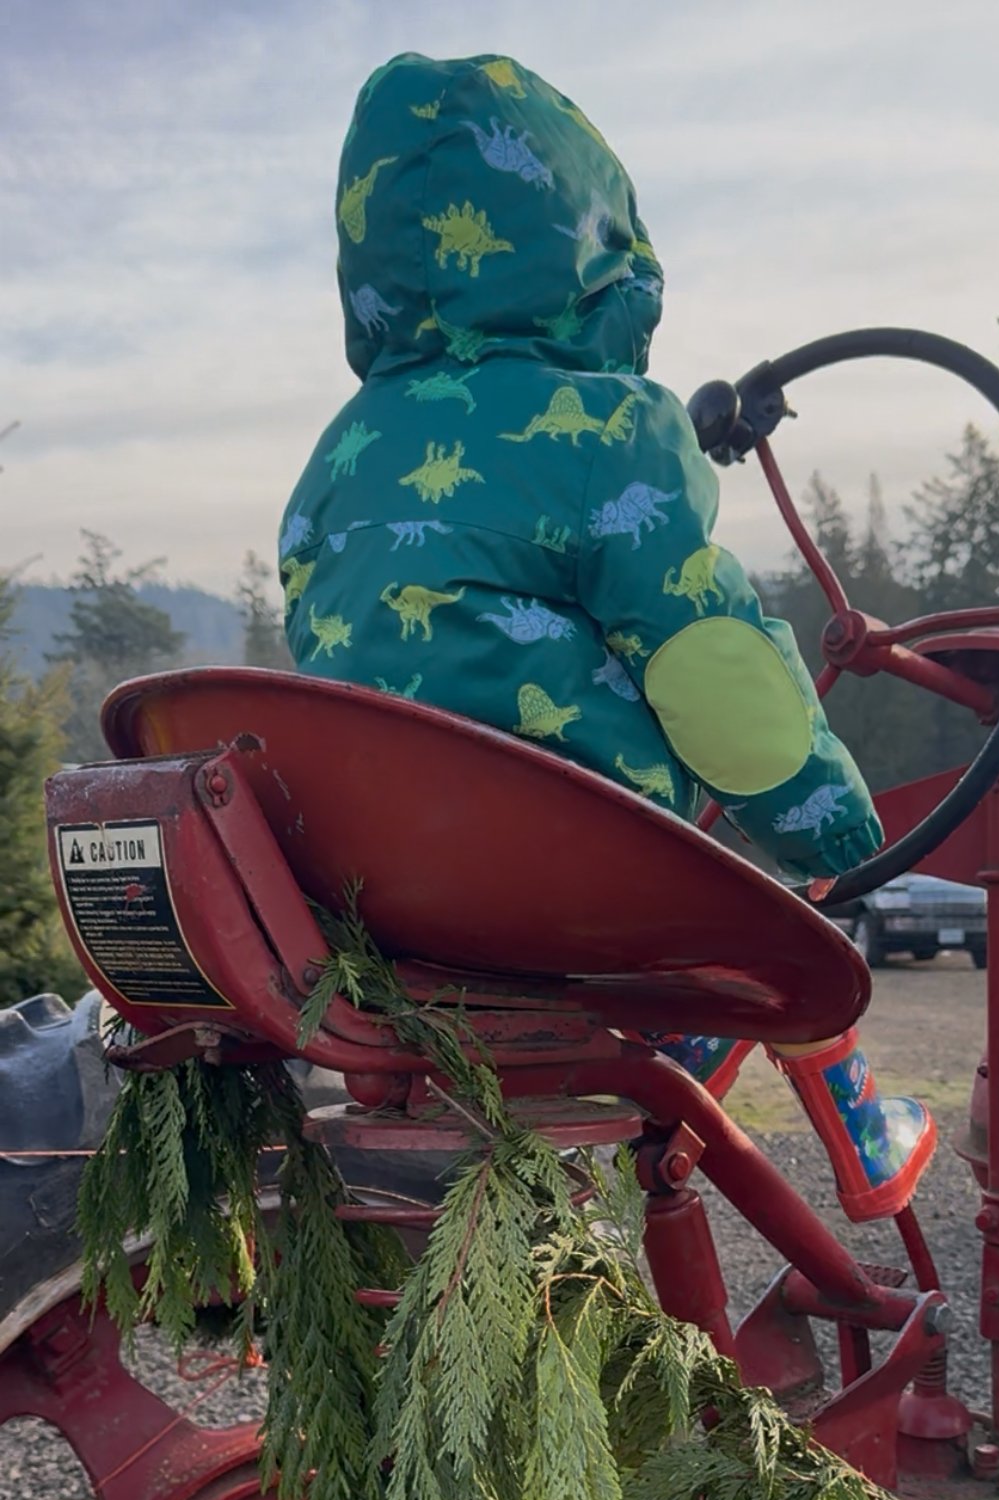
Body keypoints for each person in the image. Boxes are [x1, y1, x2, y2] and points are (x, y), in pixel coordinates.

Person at [280, 52, 932, 1222]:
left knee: (699, 922)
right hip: (564, 873)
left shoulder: (338, 456)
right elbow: (704, 656)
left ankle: (680, 1065)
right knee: (777, 916)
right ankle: (866, 1142)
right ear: (593, 243)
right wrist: (828, 824)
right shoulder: (605, 426)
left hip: (368, 884)